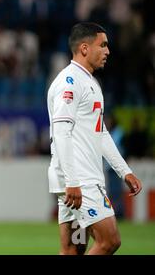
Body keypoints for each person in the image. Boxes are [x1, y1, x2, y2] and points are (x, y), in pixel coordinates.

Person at [47, 22, 142, 255]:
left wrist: (124, 171)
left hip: (78, 179)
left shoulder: (91, 83)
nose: (108, 51)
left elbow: (100, 132)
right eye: (103, 45)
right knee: (109, 240)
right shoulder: (69, 82)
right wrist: (73, 181)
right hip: (80, 179)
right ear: (84, 48)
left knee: (73, 250)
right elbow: (61, 131)